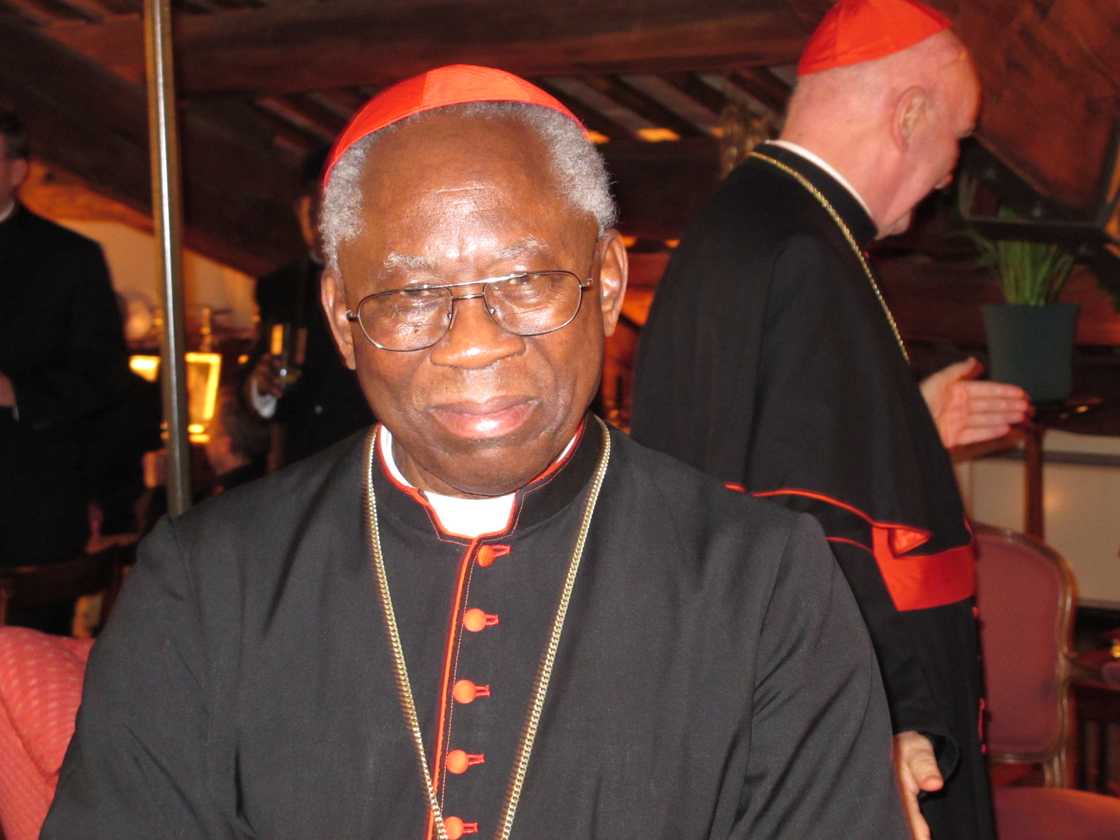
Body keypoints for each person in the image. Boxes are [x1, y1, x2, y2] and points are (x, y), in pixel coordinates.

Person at [45, 66, 907, 839]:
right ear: (343, 319)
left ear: (607, 282)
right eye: (412, 294)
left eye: (525, 281)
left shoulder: (765, 581)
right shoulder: (204, 583)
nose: (473, 345)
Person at [632, 2, 1028, 838]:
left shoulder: (752, 225)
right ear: (909, 115)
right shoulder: (804, 252)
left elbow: (774, 470)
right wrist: (888, 722)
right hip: (848, 733)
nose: (949, 174)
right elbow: (806, 531)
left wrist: (910, 433)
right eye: (956, 139)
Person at [0, 109, 130, 588]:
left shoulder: (70, 259)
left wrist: (18, 393)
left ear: (18, 171)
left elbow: (105, 375)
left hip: (28, 502)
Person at [242, 146, 374, 467]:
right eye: (306, 209)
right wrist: (261, 386)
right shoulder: (277, 286)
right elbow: (254, 380)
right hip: (298, 461)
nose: (313, 221)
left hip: (364, 453)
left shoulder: (375, 276)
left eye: (321, 207)